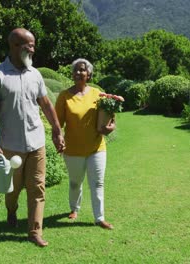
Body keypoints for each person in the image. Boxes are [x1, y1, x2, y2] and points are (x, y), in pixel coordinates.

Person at [0, 28, 65, 247]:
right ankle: (11, 210)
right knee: (12, 190)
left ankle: (34, 231)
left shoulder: (35, 74)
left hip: (36, 143)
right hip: (10, 145)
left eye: (33, 44)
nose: (32, 49)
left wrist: (57, 130)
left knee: (38, 187)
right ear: (14, 46)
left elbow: (46, 105)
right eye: (28, 45)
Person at [55, 58, 115, 230]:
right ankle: (74, 209)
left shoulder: (98, 94)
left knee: (98, 183)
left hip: (97, 148)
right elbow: (58, 124)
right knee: (75, 182)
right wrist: (57, 138)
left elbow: (110, 117)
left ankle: (99, 218)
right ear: (72, 74)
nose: (79, 73)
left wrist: (111, 126)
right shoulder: (64, 96)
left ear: (89, 74)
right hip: (73, 149)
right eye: (76, 70)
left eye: (82, 70)